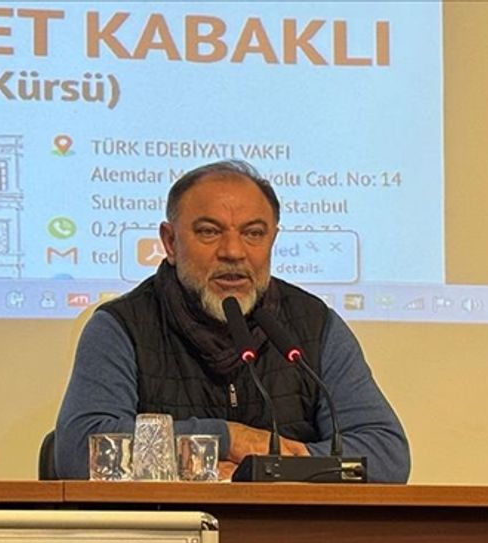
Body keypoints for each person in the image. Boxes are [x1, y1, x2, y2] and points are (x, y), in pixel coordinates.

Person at [53, 161, 410, 482]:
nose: (233, 252)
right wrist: (226, 438)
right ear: (170, 242)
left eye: (254, 233)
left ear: (273, 239)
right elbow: (80, 450)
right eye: (209, 232)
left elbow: (386, 454)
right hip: (166, 531)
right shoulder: (122, 327)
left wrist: (263, 468)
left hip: (290, 530)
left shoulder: (313, 325)